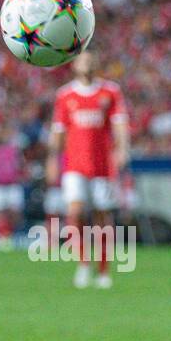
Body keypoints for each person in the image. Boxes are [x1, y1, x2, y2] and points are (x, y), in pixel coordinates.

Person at [47, 51, 129, 289]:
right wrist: (52, 159)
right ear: (74, 65)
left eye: (91, 60)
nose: (88, 63)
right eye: (83, 60)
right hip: (74, 165)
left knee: (103, 218)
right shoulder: (65, 95)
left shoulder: (110, 92)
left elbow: (120, 124)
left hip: (103, 165)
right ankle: (84, 263)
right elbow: (58, 131)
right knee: (75, 213)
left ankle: (103, 270)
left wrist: (122, 149)